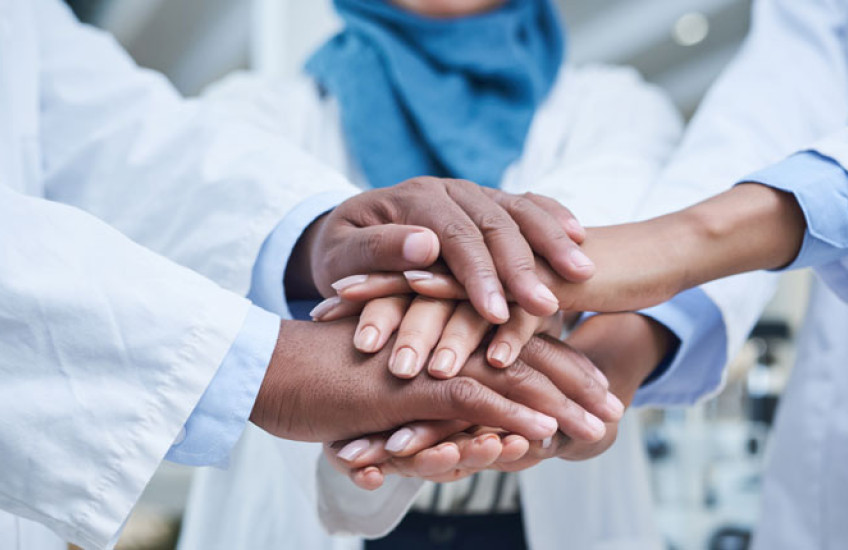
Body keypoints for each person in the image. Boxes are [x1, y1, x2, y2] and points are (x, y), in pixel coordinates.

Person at [0, 1, 622, 548]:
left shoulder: (615, 108)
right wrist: (271, 363)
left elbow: (109, 134)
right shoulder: (253, 106)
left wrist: (321, 235)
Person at [176, 1, 761, 549]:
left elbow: (588, 237)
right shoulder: (254, 109)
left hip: (532, 520)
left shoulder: (617, 107)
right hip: (306, 512)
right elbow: (223, 237)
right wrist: (489, 290)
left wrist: (417, 291)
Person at [351, 0, 848, 547]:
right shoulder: (268, 106)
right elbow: (780, 101)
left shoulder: (617, 103)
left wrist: (663, 262)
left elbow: (619, 225)